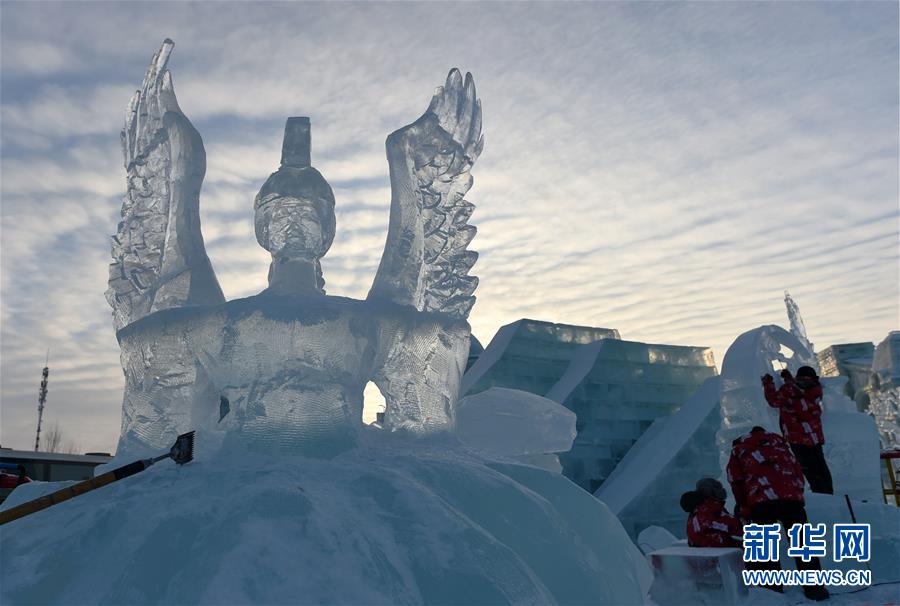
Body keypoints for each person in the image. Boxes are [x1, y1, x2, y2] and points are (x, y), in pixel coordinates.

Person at [727, 426, 829, 601]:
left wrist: (743, 504)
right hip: (791, 499)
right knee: (803, 544)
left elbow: (735, 479)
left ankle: (772, 590)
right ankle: (815, 589)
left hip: (761, 500)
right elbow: (798, 472)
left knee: (765, 547)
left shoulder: (740, 449)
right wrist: (795, 494)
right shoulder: (781, 445)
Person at [762, 366, 834, 494]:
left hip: (798, 438)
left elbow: (774, 400)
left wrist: (768, 383)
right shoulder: (815, 389)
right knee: (821, 468)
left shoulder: (789, 389)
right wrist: (788, 379)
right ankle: (829, 493)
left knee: (809, 470)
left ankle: (821, 496)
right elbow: (799, 393)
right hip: (814, 436)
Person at [680, 478, 742, 548]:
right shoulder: (710, 508)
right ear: (711, 491)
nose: (721, 490)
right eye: (718, 487)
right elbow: (735, 527)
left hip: (701, 547)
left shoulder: (697, 509)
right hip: (712, 547)